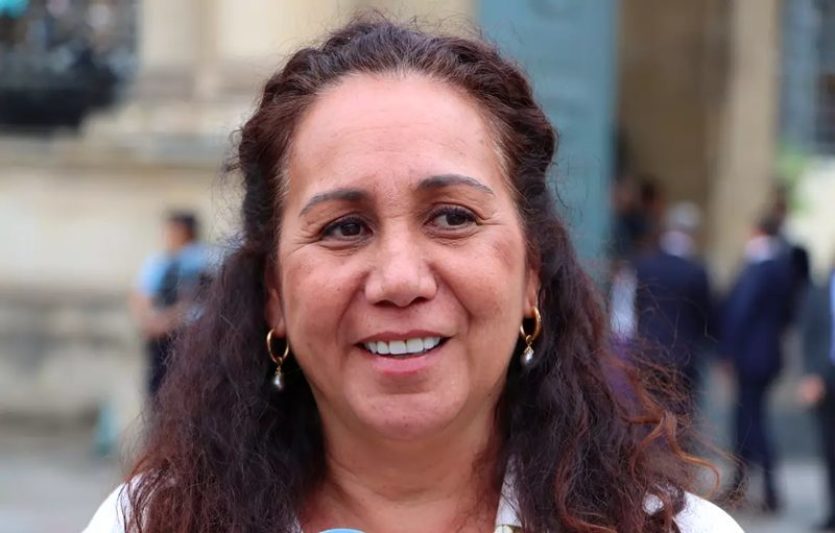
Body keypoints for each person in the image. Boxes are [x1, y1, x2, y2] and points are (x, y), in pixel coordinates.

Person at [85, 18, 742, 533]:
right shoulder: (145, 523)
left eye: (452, 217)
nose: (400, 280)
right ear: (274, 295)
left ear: (532, 277)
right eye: (344, 227)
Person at [721, 215, 796, 512]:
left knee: (750, 422)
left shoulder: (758, 267)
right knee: (751, 420)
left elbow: (740, 311)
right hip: (766, 354)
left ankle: (760, 489)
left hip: (750, 356)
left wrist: (727, 350)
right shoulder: (781, 267)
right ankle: (752, 486)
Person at [634, 202, 714, 416]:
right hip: (683, 355)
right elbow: (705, 315)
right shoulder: (696, 271)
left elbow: (636, 305)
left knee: (649, 412)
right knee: (680, 417)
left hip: (648, 350)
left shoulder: (645, 264)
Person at [130, 211, 212, 397]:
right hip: (159, 338)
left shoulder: (204, 260)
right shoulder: (158, 262)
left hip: (189, 335)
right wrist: (149, 321)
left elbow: (198, 298)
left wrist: (167, 320)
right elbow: (141, 294)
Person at [798, 260, 835, 530]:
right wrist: (810, 375)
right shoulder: (818, 291)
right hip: (826, 379)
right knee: (830, 448)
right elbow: (809, 336)